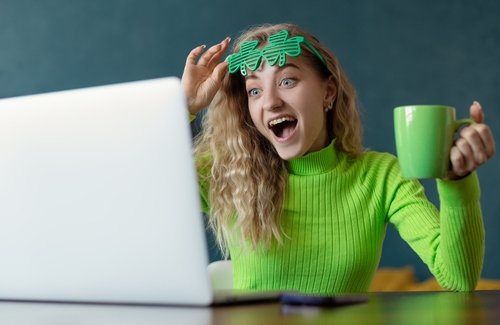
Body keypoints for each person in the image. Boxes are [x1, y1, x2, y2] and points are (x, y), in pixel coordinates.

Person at [181, 23, 496, 294]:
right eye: (254, 91)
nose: (271, 102)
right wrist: (185, 107)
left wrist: (458, 183)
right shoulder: (229, 174)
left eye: (286, 81)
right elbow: (137, 189)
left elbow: (458, 278)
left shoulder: (382, 177)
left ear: (328, 91)